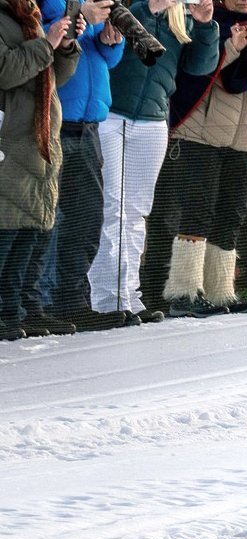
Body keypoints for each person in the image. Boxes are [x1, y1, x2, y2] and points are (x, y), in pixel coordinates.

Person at [154, 0, 247, 317]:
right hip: (199, 134)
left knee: (232, 214)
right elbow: (193, 68)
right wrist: (231, 48)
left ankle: (220, 291)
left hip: (246, 138)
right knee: (197, 210)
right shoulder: (207, 20)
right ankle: (184, 292)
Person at [88, 0, 218, 326]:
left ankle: (129, 295)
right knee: (111, 209)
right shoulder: (130, 7)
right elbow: (113, 45)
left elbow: (200, 66)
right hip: (111, 115)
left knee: (135, 212)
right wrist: (150, 7)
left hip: (153, 120)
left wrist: (204, 25)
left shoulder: (181, 19)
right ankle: (104, 299)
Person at [35, 0, 123, 336]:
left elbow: (108, 59)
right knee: (48, 219)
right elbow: (34, 41)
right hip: (52, 121)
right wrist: (79, 17)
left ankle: (73, 302)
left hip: (89, 125)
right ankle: (38, 305)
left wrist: (110, 40)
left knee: (87, 218)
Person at [1, 0, 82, 342]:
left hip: (38, 139)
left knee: (27, 233)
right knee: (6, 230)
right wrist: (46, 43)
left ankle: (16, 311)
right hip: (11, 138)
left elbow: (50, 76)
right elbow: (6, 71)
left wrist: (63, 47)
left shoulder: (26, 15)